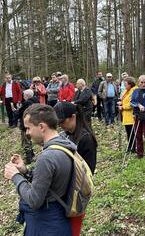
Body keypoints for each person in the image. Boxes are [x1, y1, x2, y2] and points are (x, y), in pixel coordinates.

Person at [4, 104, 74, 235]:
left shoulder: (47, 157)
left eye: (28, 128)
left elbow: (34, 200)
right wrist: (25, 171)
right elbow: (50, 182)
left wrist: (15, 176)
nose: (27, 133)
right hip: (60, 220)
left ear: (41, 127)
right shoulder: (65, 145)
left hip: (46, 225)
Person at [54, 101, 97, 236]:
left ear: (73, 116)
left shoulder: (86, 139)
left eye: (62, 121)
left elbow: (88, 171)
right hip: (63, 192)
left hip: (76, 195)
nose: (60, 125)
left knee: (73, 231)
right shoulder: (66, 134)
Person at [14, 89, 38, 164]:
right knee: (29, 140)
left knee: (25, 142)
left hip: (25, 125)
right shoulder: (36, 101)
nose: (23, 96)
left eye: (24, 95)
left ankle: (28, 159)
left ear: (26, 95)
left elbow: (20, 113)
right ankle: (32, 155)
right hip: (33, 124)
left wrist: (15, 110)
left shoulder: (26, 103)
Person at [118, 77, 137, 152]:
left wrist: (123, 107)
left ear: (130, 84)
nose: (125, 86)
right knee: (128, 132)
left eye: (126, 84)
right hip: (126, 115)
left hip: (131, 116)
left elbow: (131, 104)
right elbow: (125, 100)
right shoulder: (127, 91)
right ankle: (129, 146)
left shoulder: (134, 91)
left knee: (132, 133)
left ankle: (133, 147)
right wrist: (121, 103)